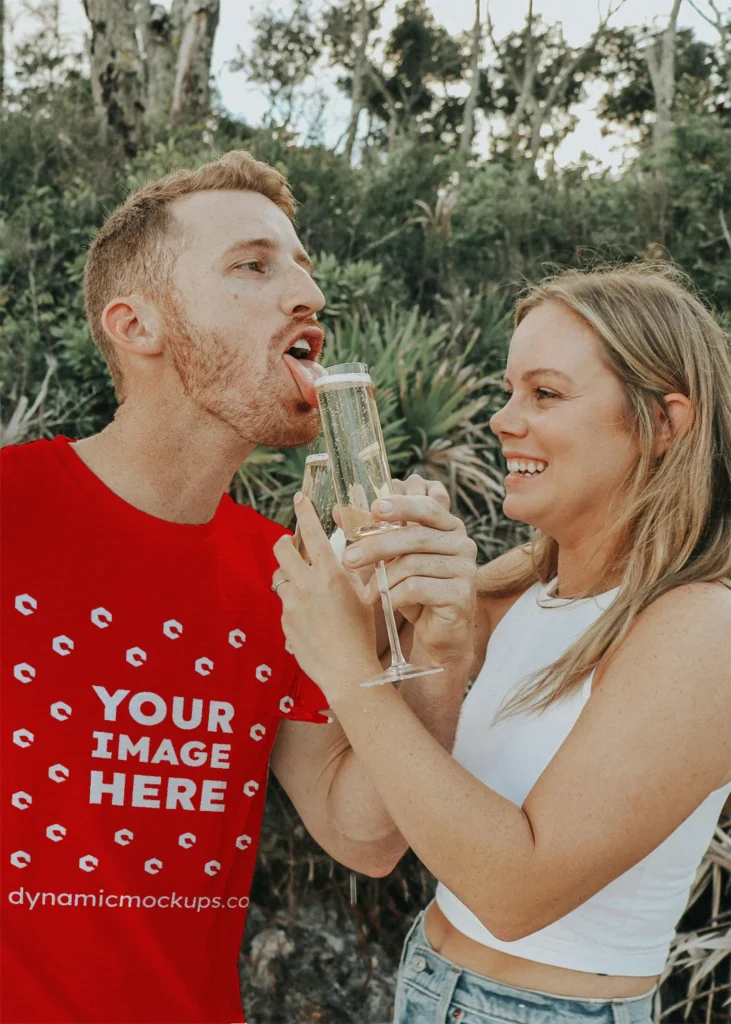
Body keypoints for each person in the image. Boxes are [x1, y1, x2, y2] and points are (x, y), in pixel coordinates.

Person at [0, 150, 477, 1024]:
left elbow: (362, 835)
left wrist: (440, 651)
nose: (308, 295)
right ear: (135, 324)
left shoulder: (287, 574)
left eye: (302, 267)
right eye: (254, 266)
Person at [275, 265, 731, 1024]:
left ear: (663, 424)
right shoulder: (522, 583)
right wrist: (422, 630)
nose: (502, 420)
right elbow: (368, 824)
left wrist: (349, 669)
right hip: (426, 976)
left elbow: (515, 892)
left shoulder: (701, 626)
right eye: (509, 390)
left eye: (544, 393)